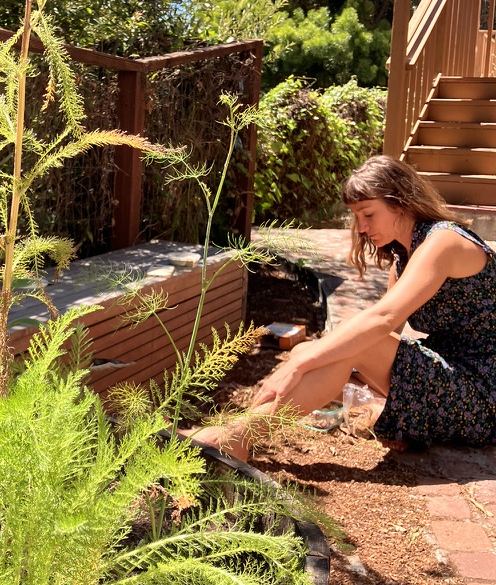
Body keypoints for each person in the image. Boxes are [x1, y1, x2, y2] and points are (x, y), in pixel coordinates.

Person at [186, 155, 496, 460]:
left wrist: (300, 366)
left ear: (400, 202)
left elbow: (382, 321)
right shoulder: (405, 255)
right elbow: (386, 328)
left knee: (339, 352)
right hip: (450, 376)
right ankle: (236, 435)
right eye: (357, 217)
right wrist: (308, 359)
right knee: (310, 353)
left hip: (480, 395)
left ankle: (234, 437)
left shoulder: (444, 241)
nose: (361, 228)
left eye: (368, 214)